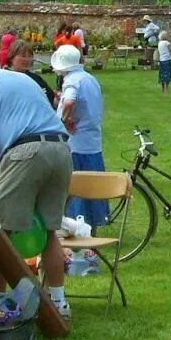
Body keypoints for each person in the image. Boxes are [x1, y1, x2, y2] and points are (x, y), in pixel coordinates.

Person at [0, 56, 74, 316]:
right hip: (61, 150)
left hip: (24, 150)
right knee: (50, 230)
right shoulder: (22, 78)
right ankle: (58, 302)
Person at [52, 45, 107, 227]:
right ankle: (94, 222)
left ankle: (77, 223)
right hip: (91, 137)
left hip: (75, 141)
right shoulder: (89, 78)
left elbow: (69, 102)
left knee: (75, 184)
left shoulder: (72, 80)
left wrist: (63, 121)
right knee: (93, 183)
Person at [7, 40, 57, 107]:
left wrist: (58, 99)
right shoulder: (6, 79)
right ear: (11, 58)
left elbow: (51, 99)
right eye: (23, 56)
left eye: (29, 56)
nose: (27, 59)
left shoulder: (36, 78)